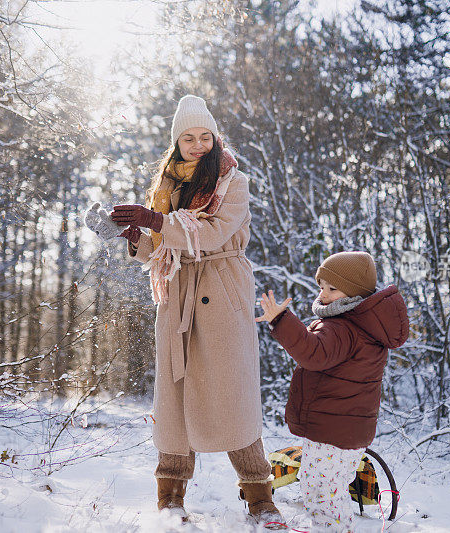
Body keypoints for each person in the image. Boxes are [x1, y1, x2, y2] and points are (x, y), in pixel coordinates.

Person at [110, 95, 283, 527]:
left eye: (205, 135)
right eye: (189, 137)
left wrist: (156, 224)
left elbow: (213, 233)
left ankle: (260, 496)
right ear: (177, 142)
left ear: (215, 137)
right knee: (174, 396)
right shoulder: (166, 185)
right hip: (177, 291)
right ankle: (170, 496)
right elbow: (161, 245)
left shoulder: (233, 181)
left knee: (231, 393)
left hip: (222, 288)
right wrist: (137, 236)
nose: (199, 143)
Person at [256, 251, 409, 531]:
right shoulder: (365, 327)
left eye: (332, 288)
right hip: (348, 428)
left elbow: (313, 353)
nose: (323, 294)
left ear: (354, 293)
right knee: (328, 486)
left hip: (332, 429)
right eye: (321, 286)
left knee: (321, 490)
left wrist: (280, 320)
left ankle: (334, 529)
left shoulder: (343, 328)